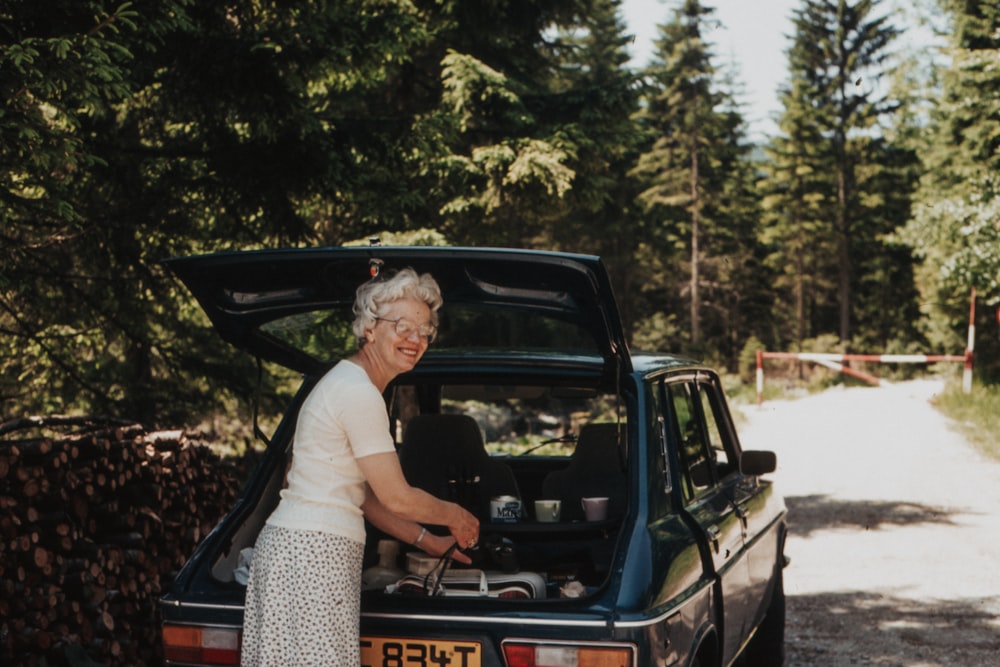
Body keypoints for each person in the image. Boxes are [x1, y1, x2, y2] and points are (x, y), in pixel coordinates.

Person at [241, 268, 480, 667]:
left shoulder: (350, 383)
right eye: (402, 326)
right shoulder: (357, 392)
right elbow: (397, 497)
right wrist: (455, 516)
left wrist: (428, 541)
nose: (415, 339)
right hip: (311, 555)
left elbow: (365, 498)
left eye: (424, 331)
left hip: (301, 552)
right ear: (369, 328)